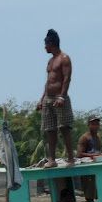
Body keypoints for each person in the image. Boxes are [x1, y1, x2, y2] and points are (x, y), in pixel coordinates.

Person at [37, 29, 74, 168]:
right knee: (50, 130)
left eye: (45, 45)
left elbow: (67, 78)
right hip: (48, 98)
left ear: (51, 43)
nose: (44, 47)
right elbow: (48, 82)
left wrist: (62, 96)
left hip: (60, 98)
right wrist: (42, 99)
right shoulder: (50, 61)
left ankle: (71, 158)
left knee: (64, 128)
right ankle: (51, 159)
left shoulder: (64, 58)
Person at [77, 115, 102, 202]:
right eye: (93, 124)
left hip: (96, 165)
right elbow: (79, 154)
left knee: (98, 189)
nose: (95, 126)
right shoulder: (84, 137)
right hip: (87, 167)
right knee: (89, 191)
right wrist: (92, 155)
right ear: (88, 125)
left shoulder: (98, 137)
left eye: (97, 124)